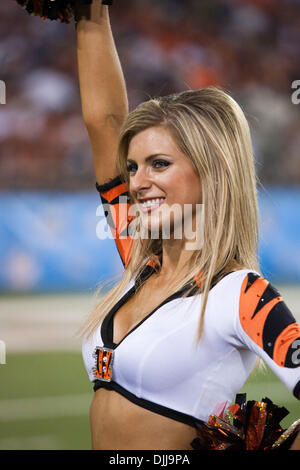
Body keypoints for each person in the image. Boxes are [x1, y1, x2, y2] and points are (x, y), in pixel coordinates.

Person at [15, 0, 300, 451]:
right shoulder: (140, 261)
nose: (138, 182)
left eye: (159, 164)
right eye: (132, 167)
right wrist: (93, 12)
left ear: (211, 172)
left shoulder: (241, 293)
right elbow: (105, 122)